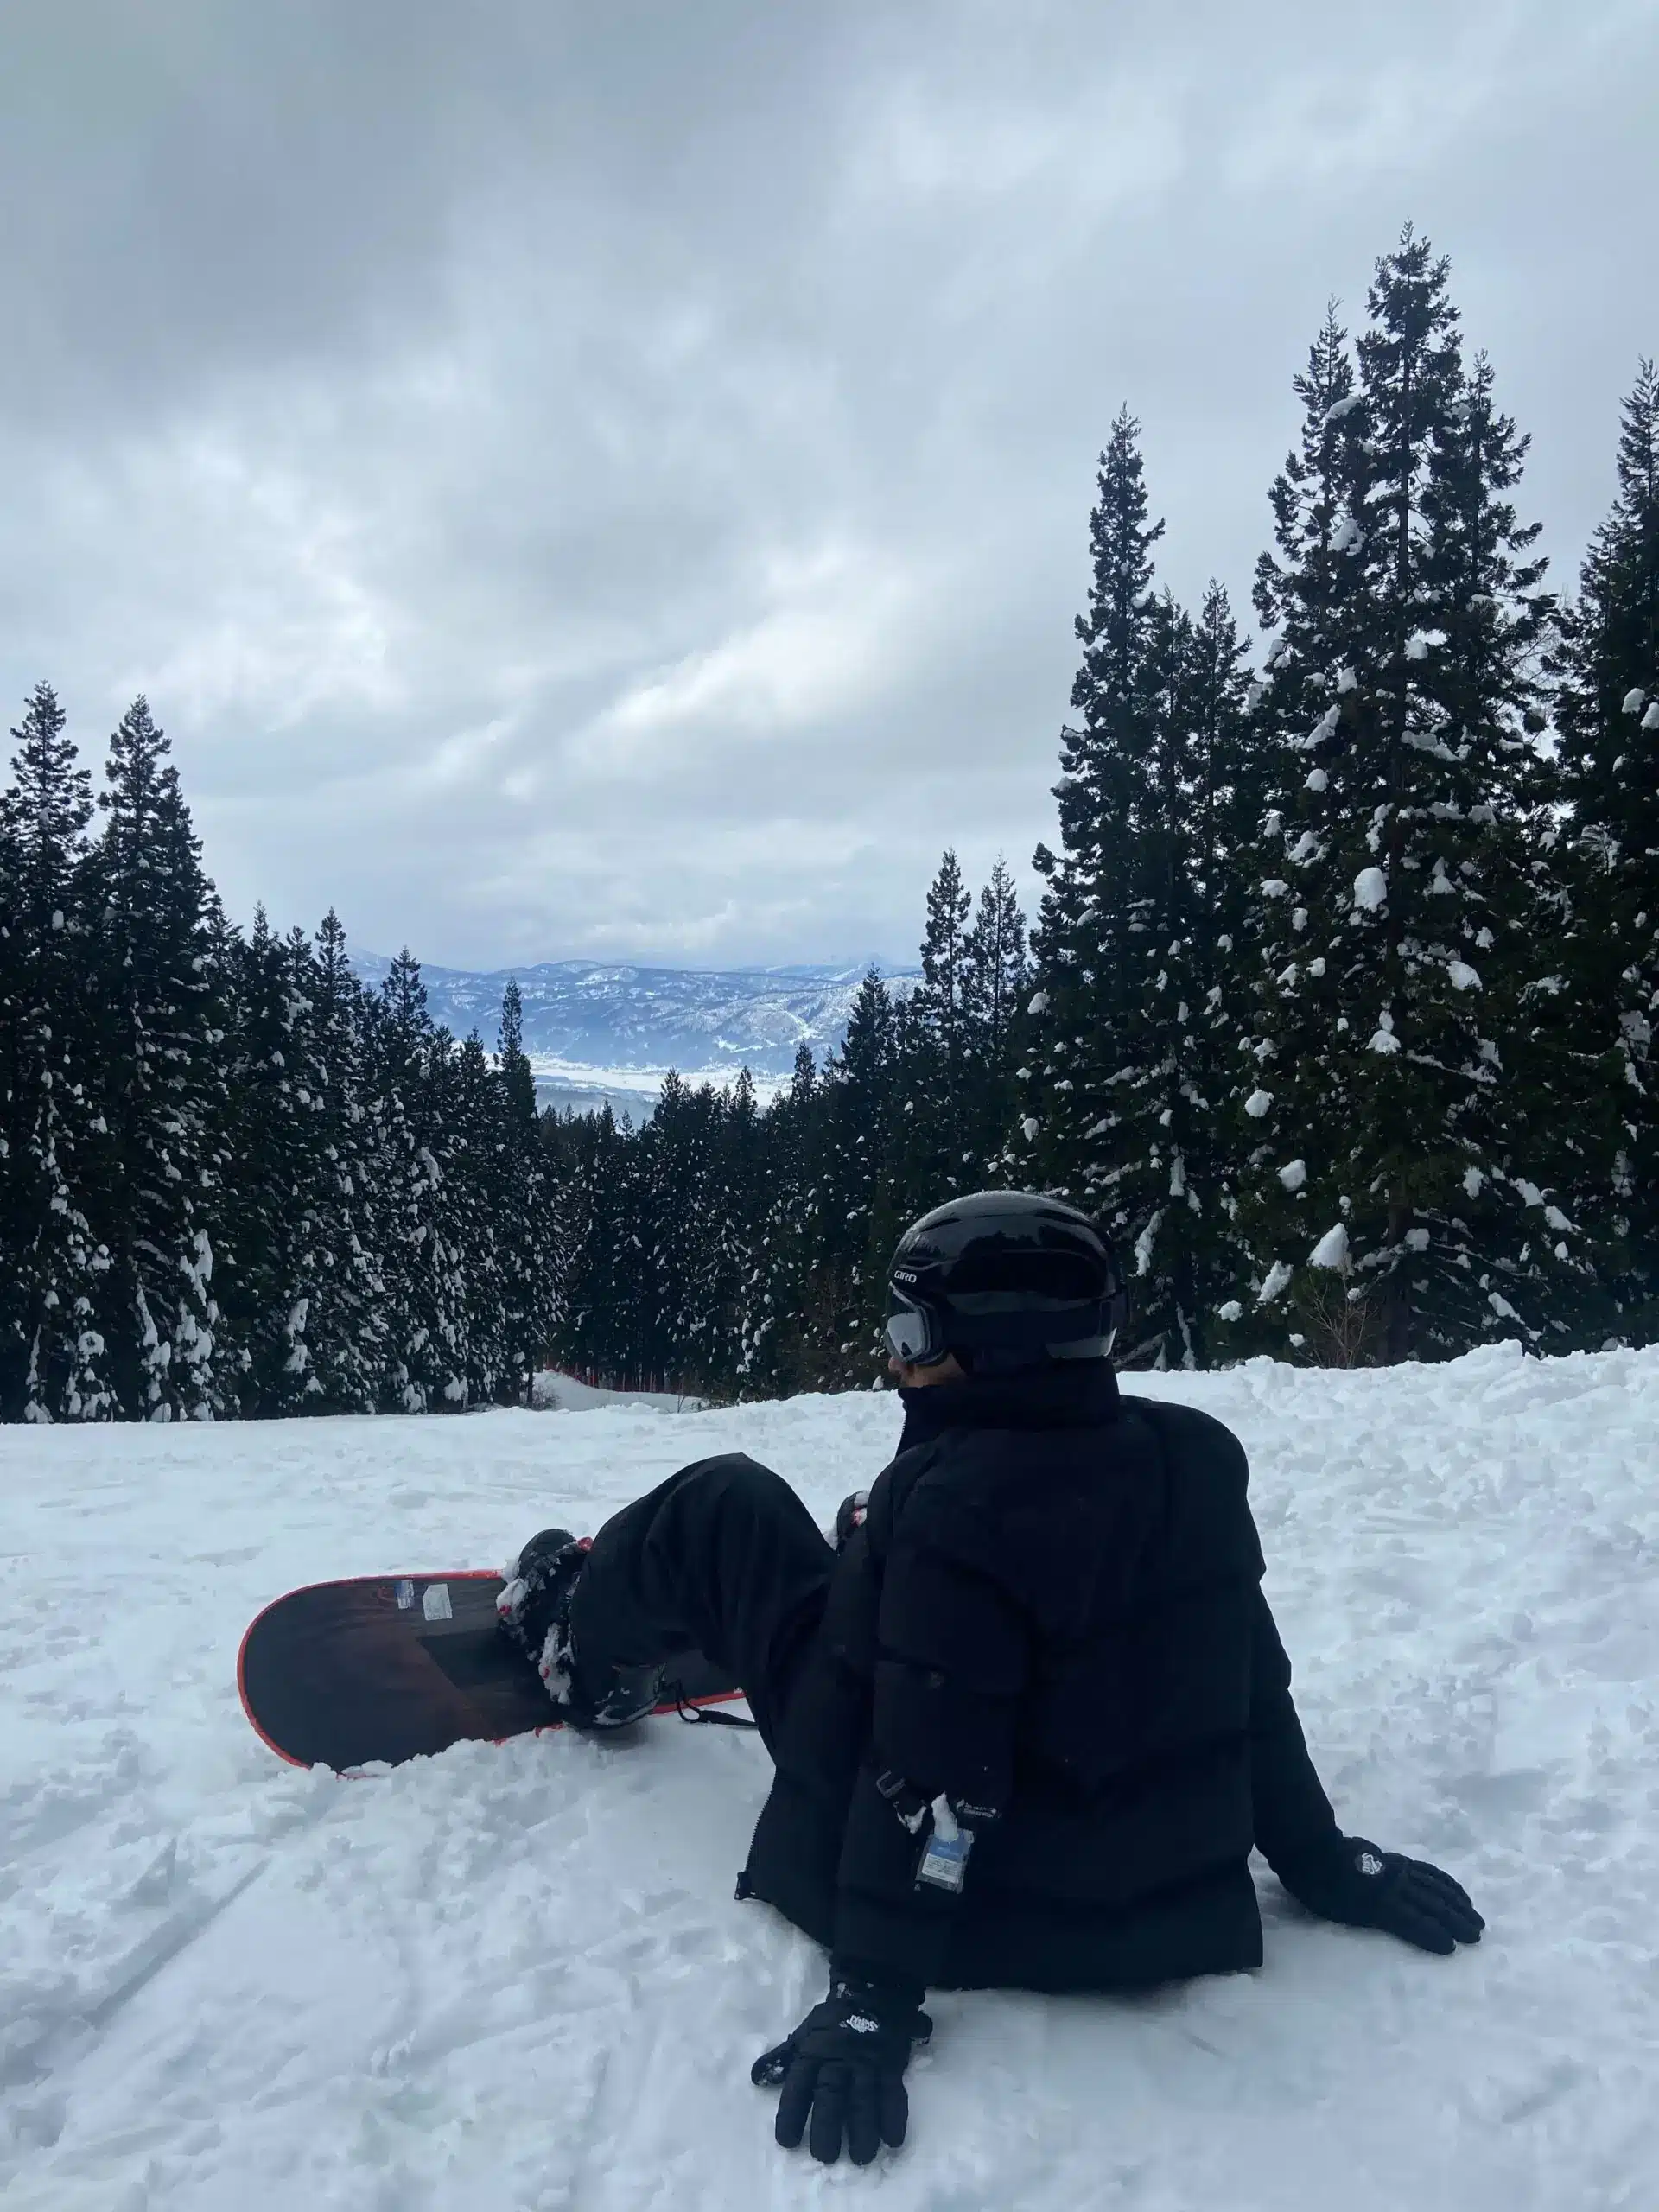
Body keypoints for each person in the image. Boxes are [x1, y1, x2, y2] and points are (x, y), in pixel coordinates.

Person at [498, 1189, 1482, 2169]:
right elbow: (1250, 1692)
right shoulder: (1196, 1463)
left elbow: (928, 1782)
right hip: (1159, 1904)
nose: (894, 1359)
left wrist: (874, 1994)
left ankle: (579, 1653)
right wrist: (1321, 1860)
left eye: (910, 1332)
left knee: (727, 1503)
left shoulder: (949, 1511)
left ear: (986, 1344)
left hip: (975, 1916)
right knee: (872, 1529)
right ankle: (846, 1567)